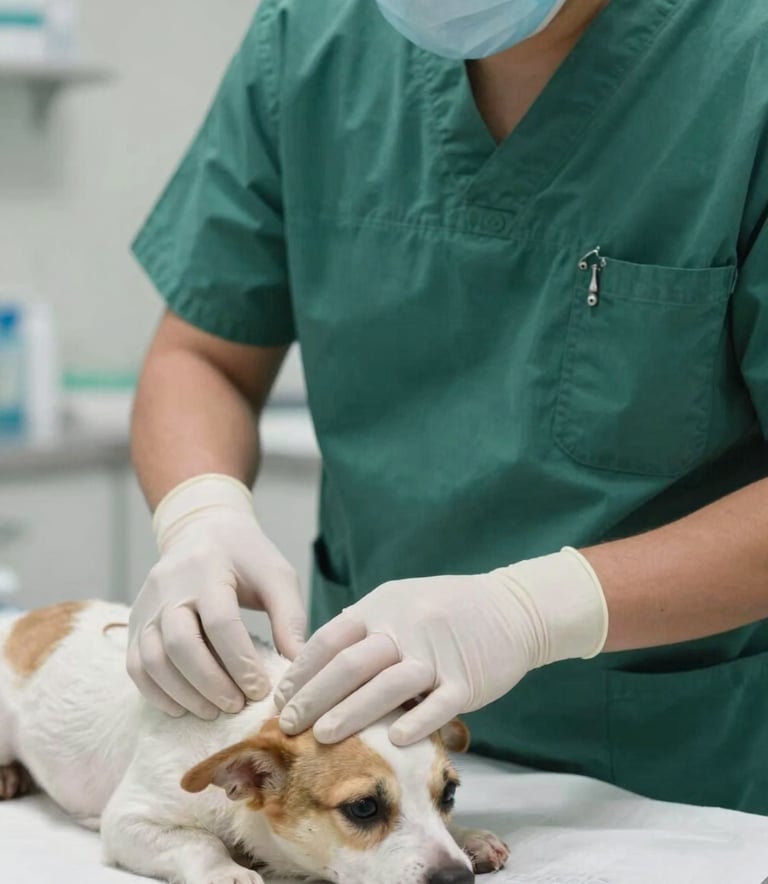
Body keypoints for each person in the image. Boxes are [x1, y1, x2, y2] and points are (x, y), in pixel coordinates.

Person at [128, 0, 768, 815]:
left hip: (677, 772)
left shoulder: (743, 64)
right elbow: (203, 353)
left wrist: (534, 612)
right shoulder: (313, 38)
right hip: (359, 752)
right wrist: (200, 514)